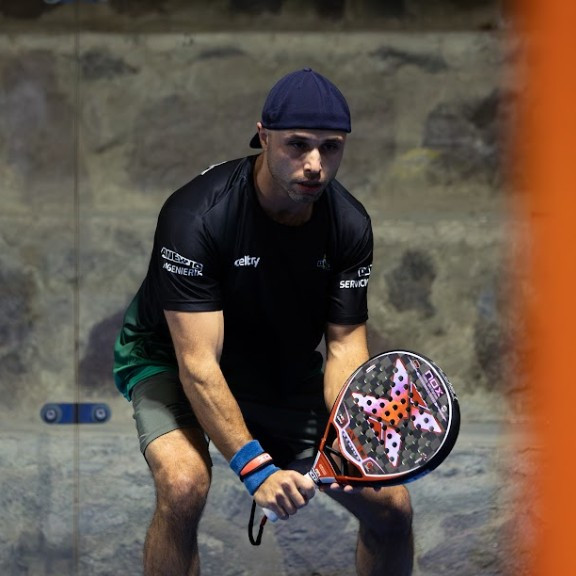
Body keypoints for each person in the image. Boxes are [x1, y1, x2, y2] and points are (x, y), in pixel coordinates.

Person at [114, 67, 414, 576]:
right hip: (171, 358)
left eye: (331, 147)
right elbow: (198, 366)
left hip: (277, 367)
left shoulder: (349, 224)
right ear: (264, 136)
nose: (315, 164)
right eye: (297, 144)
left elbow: (345, 349)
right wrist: (256, 469)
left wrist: (352, 428)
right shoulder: (196, 216)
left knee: (391, 509)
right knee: (184, 486)